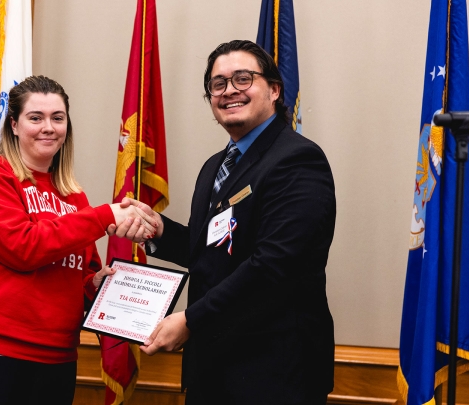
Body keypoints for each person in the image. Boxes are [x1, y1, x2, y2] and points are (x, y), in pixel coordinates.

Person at [113, 40, 336, 404]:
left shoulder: (297, 160)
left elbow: (273, 266)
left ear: (275, 90)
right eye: (218, 84)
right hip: (212, 368)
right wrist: (159, 230)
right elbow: (214, 253)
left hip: (274, 373)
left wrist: (189, 321)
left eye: (243, 79)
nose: (230, 90)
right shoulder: (214, 167)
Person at [0, 75, 156, 405]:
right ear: (14, 125)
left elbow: (80, 272)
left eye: (58, 118)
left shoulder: (74, 196)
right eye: (35, 117)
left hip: (57, 355)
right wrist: (105, 216)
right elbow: (23, 248)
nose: (48, 127)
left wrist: (96, 283)